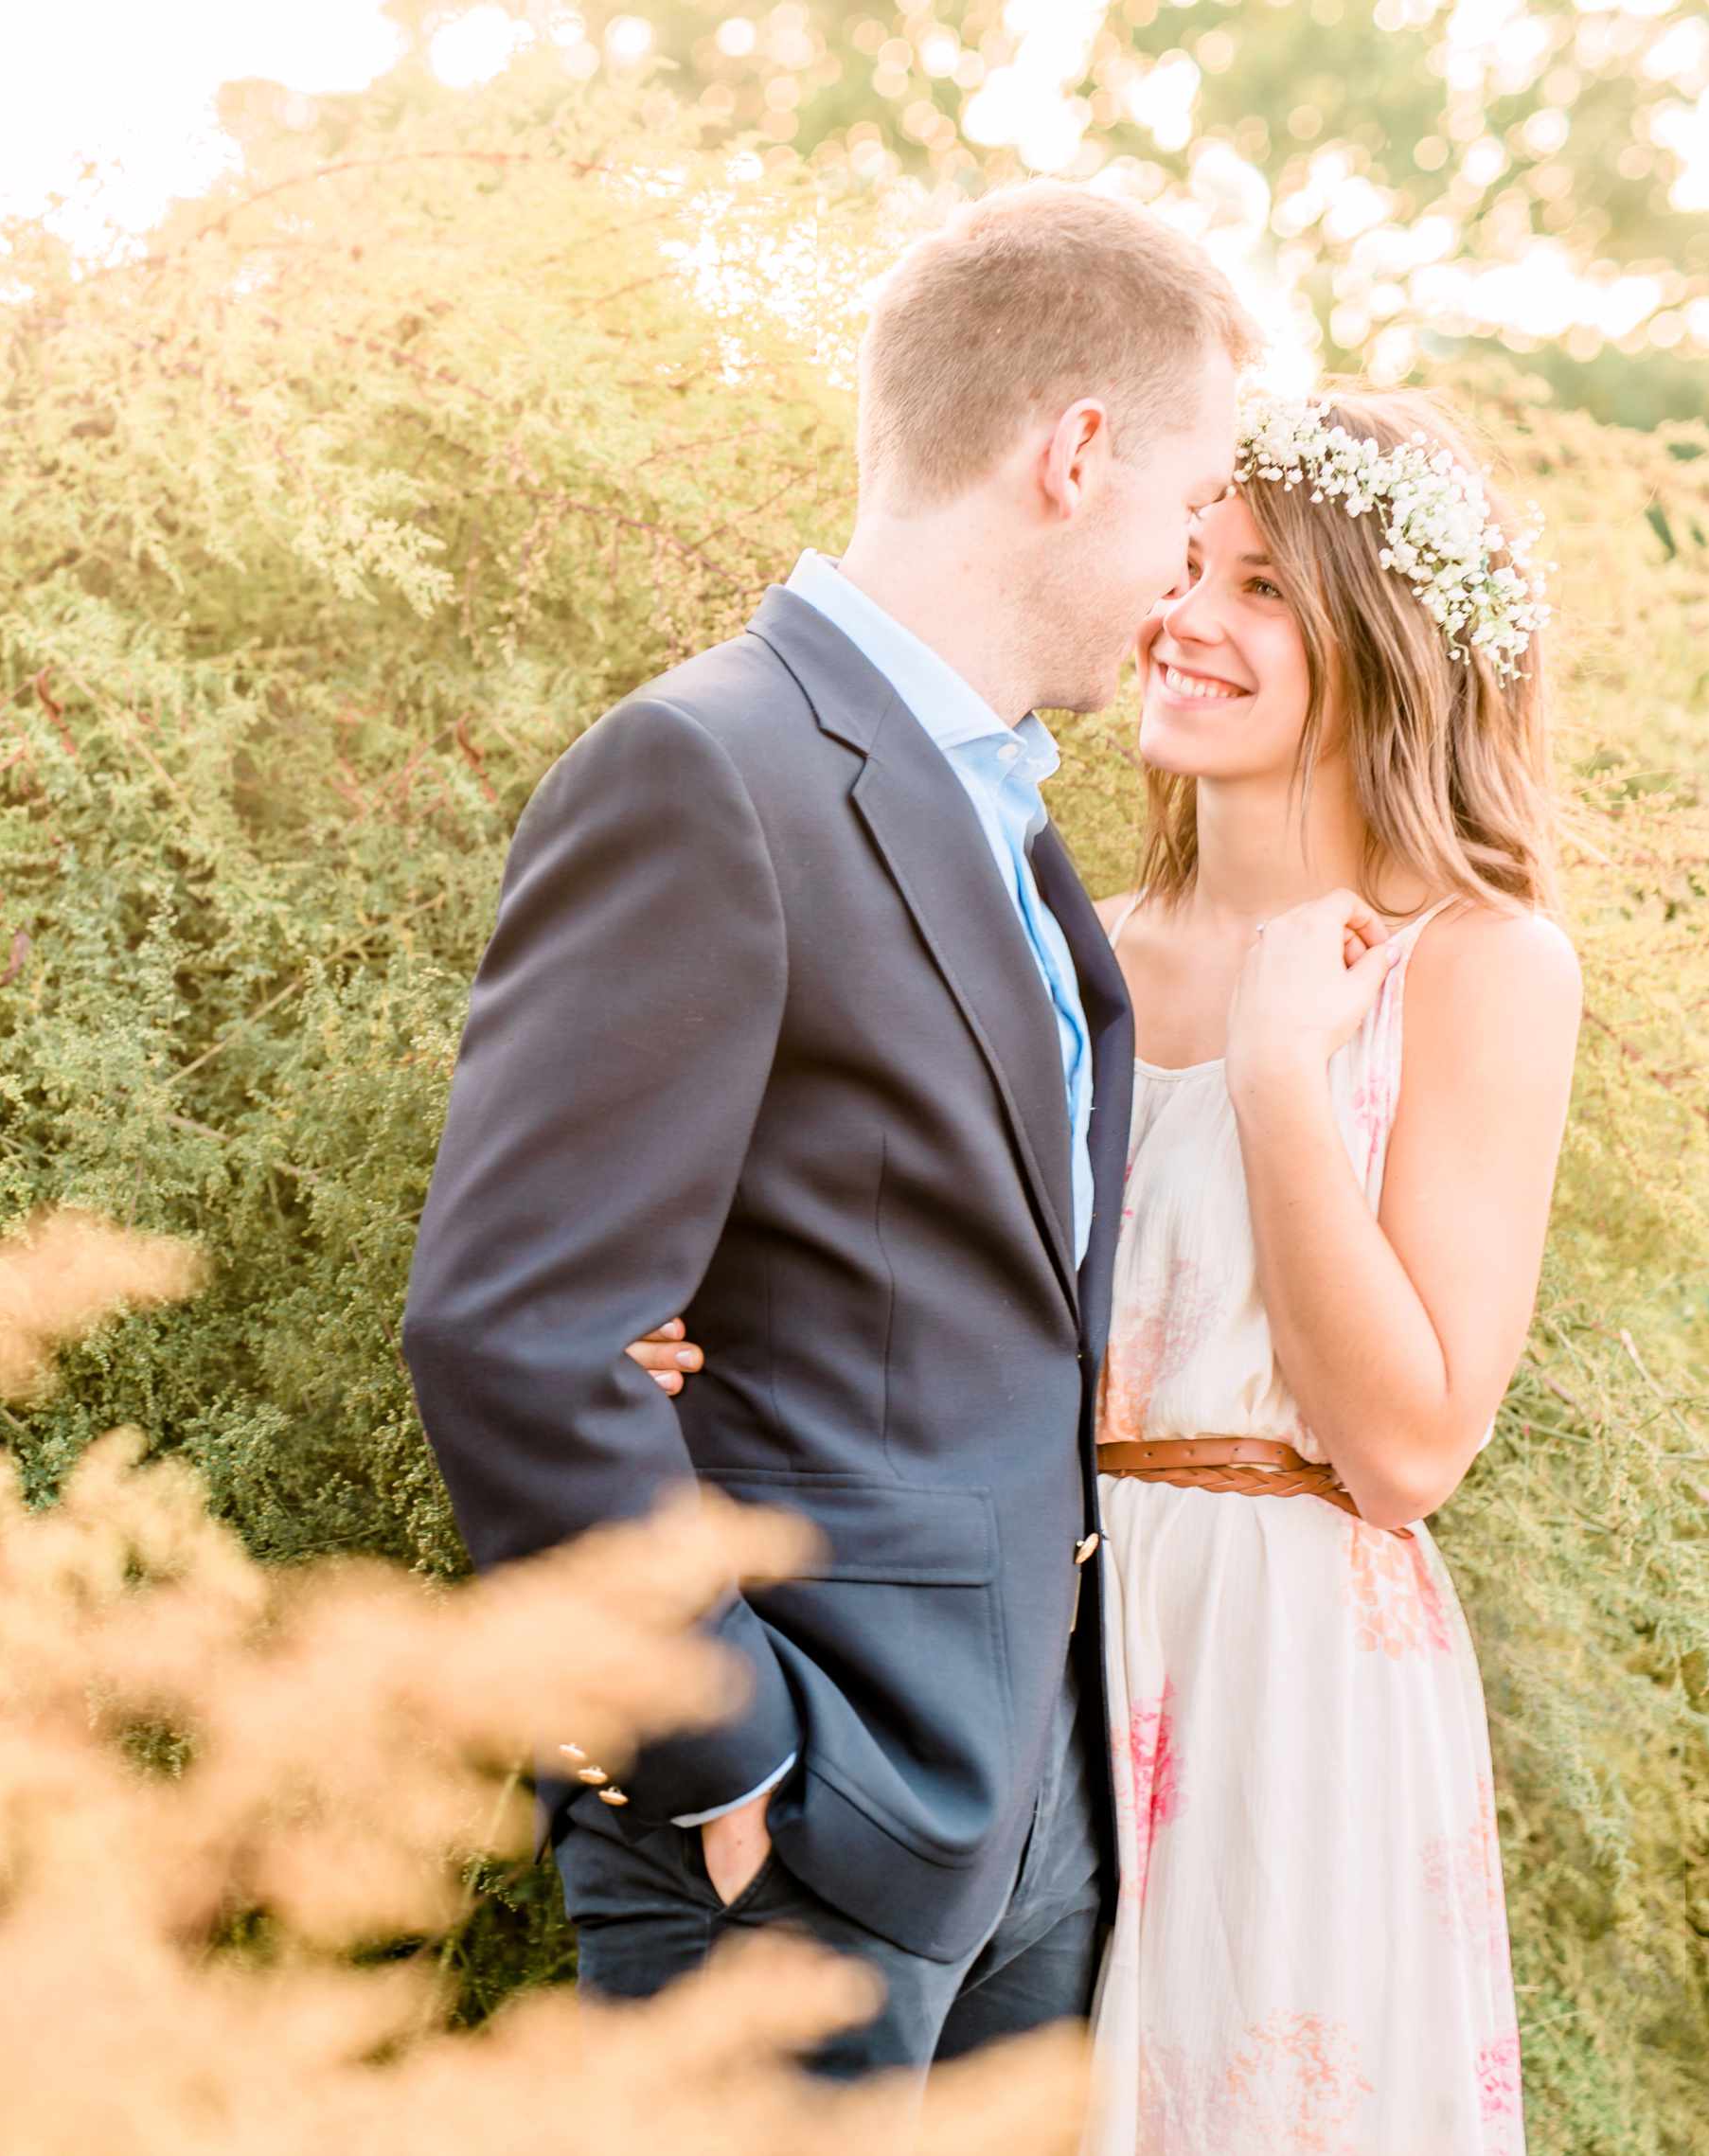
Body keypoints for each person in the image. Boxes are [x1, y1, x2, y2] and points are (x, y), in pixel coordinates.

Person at [628, 384, 1578, 2152]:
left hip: (1288, 1672)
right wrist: (685, 1329)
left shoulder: (1481, 964)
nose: (1186, 620)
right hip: (1008, 1638)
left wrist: (1288, 1077)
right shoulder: (1059, 930)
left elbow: (1409, 1447)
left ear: (1389, 643)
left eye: (1265, 588)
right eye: (1187, 561)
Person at [398, 181, 1257, 2080]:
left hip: (1033, 1806)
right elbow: (510, 1329)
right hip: (798, 1837)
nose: (1187, 579)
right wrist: (732, 1759)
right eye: (1190, 514)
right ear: (1075, 451)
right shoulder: (709, 768)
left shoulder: (1008, 819)